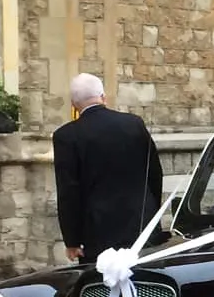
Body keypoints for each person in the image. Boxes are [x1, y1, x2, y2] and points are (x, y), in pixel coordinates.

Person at [52, 73, 164, 264]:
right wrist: (151, 213)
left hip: (97, 234)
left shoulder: (66, 136)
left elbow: (68, 192)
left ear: (74, 104)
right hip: (142, 226)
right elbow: (154, 173)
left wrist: (72, 241)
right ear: (103, 97)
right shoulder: (134, 124)